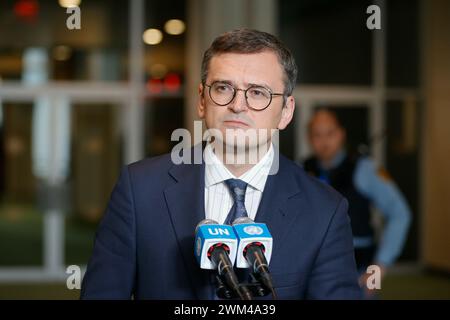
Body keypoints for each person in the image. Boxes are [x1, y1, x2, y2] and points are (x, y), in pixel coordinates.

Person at [81, 29, 361, 299]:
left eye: (258, 93)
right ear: (202, 100)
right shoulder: (139, 189)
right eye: (224, 88)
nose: (238, 105)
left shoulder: (325, 211)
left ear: (286, 111)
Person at [303, 109, 411, 298]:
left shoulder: (365, 168)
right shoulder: (304, 170)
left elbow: (400, 213)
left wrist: (379, 268)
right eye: (317, 135)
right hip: (316, 271)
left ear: (341, 134)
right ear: (309, 139)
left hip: (361, 272)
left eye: (330, 133)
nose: (324, 141)